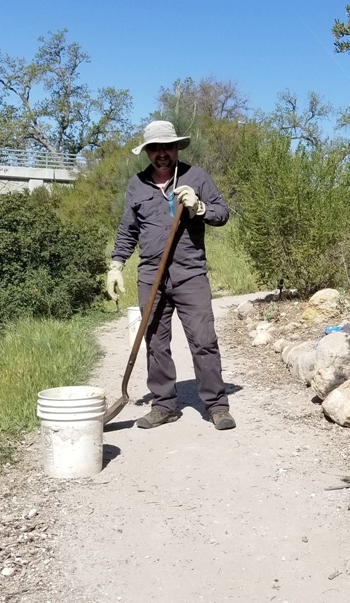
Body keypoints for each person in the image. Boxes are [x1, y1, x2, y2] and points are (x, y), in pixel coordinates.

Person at [107, 120, 236, 431]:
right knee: (155, 341)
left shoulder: (196, 176)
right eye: (154, 148)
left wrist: (200, 206)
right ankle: (164, 405)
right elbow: (128, 230)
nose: (161, 153)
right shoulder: (136, 184)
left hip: (190, 273)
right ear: (147, 152)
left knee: (203, 340)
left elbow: (222, 213)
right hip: (151, 274)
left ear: (177, 147)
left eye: (167, 146)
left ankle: (217, 405)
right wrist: (116, 265)